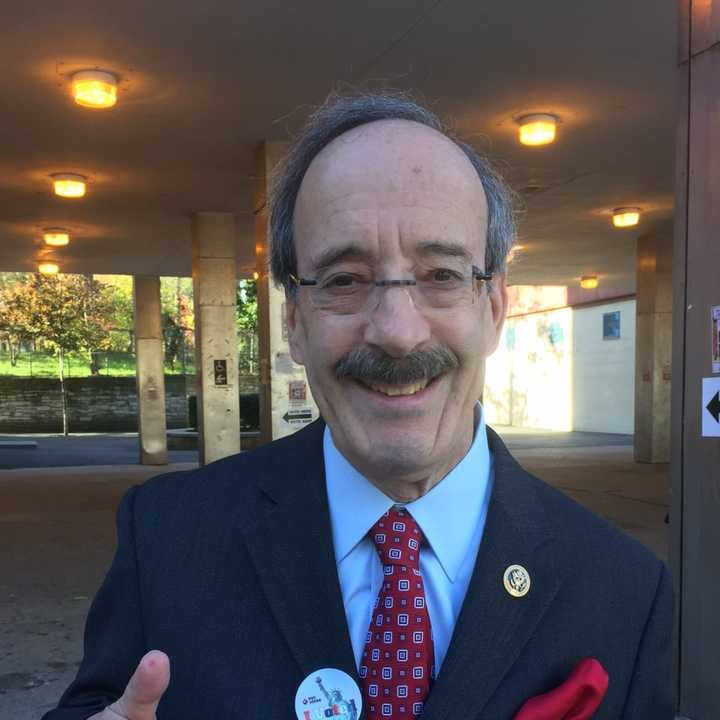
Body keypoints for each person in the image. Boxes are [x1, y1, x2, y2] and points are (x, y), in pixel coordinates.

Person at [43, 92, 673, 720]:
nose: (397, 331)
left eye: (442, 275)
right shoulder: (166, 540)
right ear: (293, 321)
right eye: (345, 280)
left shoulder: (622, 590)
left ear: (495, 309)